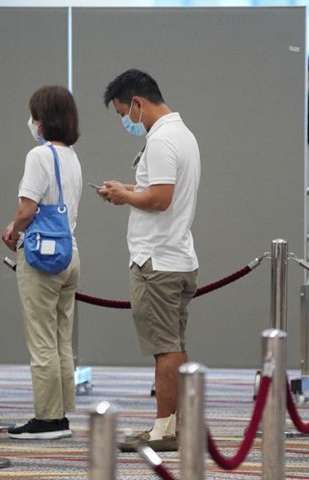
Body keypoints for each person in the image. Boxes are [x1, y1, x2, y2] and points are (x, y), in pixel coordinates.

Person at [99, 69, 200, 452]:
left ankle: (164, 429)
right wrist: (128, 190)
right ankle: (177, 422)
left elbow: (160, 199)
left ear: (138, 103)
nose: (126, 121)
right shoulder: (183, 135)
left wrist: (126, 197)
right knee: (174, 344)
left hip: (156, 260)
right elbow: (159, 192)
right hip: (177, 255)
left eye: (124, 112)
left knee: (165, 348)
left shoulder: (161, 140)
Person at [1, 85, 83, 440]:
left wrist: (12, 229)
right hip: (70, 254)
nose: (31, 122)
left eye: (34, 115)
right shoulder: (72, 157)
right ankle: (61, 411)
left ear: (43, 119)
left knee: (41, 339)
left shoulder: (39, 156)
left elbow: (28, 207)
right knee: (62, 338)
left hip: (40, 255)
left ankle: (47, 418)